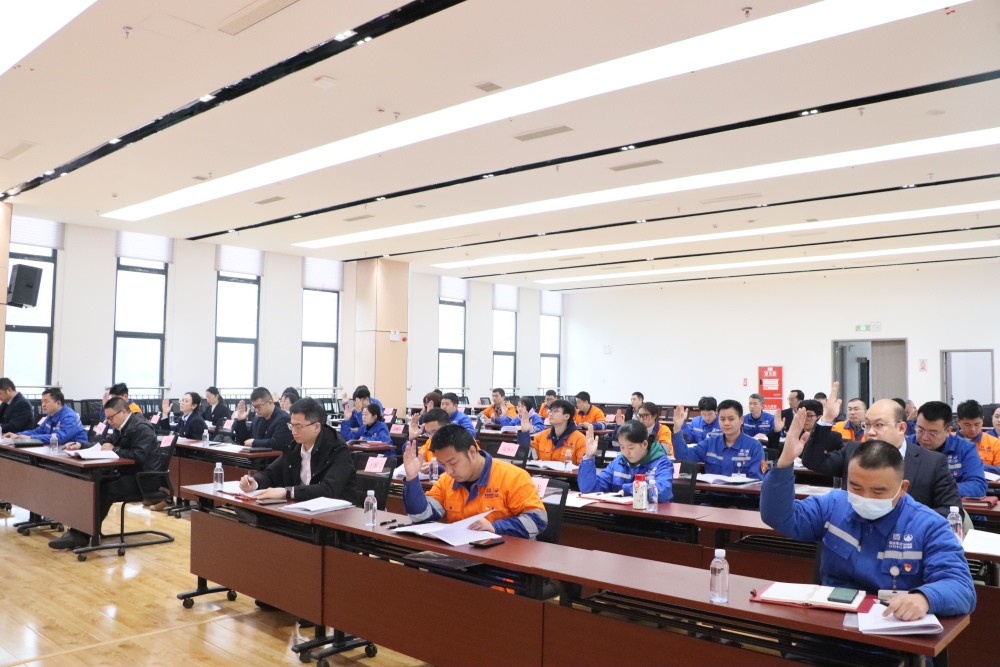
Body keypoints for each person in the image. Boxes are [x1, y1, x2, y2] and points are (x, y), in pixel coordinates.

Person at [762, 410, 976, 620]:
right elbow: (779, 516)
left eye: (878, 491)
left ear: (902, 488)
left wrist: (925, 598)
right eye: (856, 487)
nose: (865, 497)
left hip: (892, 627)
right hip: (832, 621)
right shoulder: (833, 505)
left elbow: (961, 588)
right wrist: (785, 462)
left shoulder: (929, 526)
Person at [800, 383, 962, 519]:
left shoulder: (932, 462)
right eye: (867, 425)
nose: (870, 432)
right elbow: (813, 461)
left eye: (879, 425)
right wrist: (827, 419)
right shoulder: (853, 450)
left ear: (901, 428)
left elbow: (952, 511)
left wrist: (906, 521)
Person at [48, 398, 159, 550]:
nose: (110, 422)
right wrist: (81, 445)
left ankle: (82, 535)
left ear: (124, 412)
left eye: (111, 418)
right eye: (107, 419)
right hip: (128, 474)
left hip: (144, 479)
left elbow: (139, 456)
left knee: (105, 490)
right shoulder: (122, 426)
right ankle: (79, 531)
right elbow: (104, 444)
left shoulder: (141, 428)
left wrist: (115, 450)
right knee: (93, 485)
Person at [401, 424, 547, 539]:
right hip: (463, 552)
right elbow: (420, 516)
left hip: (505, 556)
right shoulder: (446, 480)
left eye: (453, 462)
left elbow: (538, 520)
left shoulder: (513, 476)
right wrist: (412, 478)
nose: (449, 471)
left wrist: (495, 527)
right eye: (443, 464)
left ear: (471, 452)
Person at [240, 398, 357, 502]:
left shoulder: (337, 449)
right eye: (292, 426)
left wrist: (288, 492)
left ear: (316, 427)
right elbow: (271, 473)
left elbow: (329, 489)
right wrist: (255, 483)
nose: (293, 432)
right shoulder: (294, 447)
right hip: (301, 508)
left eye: (298, 427)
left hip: (336, 512)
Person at [579, 421, 673, 501]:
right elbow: (590, 490)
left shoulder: (661, 463)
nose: (626, 452)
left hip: (650, 515)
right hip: (618, 514)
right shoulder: (618, 462)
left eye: (630, 447)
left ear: (644, 444)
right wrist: (588, 456)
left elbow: (663, 491)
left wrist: (629, 489)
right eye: (622, 447)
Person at [910, 401, 986, 498]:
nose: (924, 438)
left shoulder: (965, 449)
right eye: (920, 430)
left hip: (947, 503)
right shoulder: (906, 444)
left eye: (932, 434)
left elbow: (978, 486)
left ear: (948, 431)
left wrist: (938, 489)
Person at [672, 400, 765, 479]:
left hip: (742, 494)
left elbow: (757, 480)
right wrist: (677, 428)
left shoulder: (754, 446)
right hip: (712, 494)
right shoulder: (710, 443)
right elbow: (684, 456)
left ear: (741, 420)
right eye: (722, 419)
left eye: (731, 419)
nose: (726, 423)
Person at [4, 387, 88, 444]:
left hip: (74, 451)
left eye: (46, 401)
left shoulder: (69, 417)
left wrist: (29, 438)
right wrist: (17, 435)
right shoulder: (50, 416)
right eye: (42, 402)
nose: (43, 405)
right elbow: (38, 431)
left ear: (58, 403)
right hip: (57, 449)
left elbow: (60, 438)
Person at [517, 399, 587, 465]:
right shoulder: (541, 436)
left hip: (568, 474)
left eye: (555, 411)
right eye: (550, 411)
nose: (550, 414)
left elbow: (584, 467)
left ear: (566, 416)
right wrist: (524, 433)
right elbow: (527, 456)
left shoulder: (580, 440)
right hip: (542, 473)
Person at [233, 387, 293, 453]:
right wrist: (241, 421)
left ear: (270, 402)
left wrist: (255, 442)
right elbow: (246, 441)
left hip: (274, 457)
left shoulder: (284, 418)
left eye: (259, 406)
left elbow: (277, 443)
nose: (256, 410)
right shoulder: (257, 419)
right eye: (254, 407)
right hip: (256, 456)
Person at [955, 400, 1000, 474]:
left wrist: (975, 465)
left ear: (982, 420)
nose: (973, 429)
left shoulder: (995, 443)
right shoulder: (948, 441)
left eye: (977, 424)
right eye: (967, 424)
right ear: (958, 421)